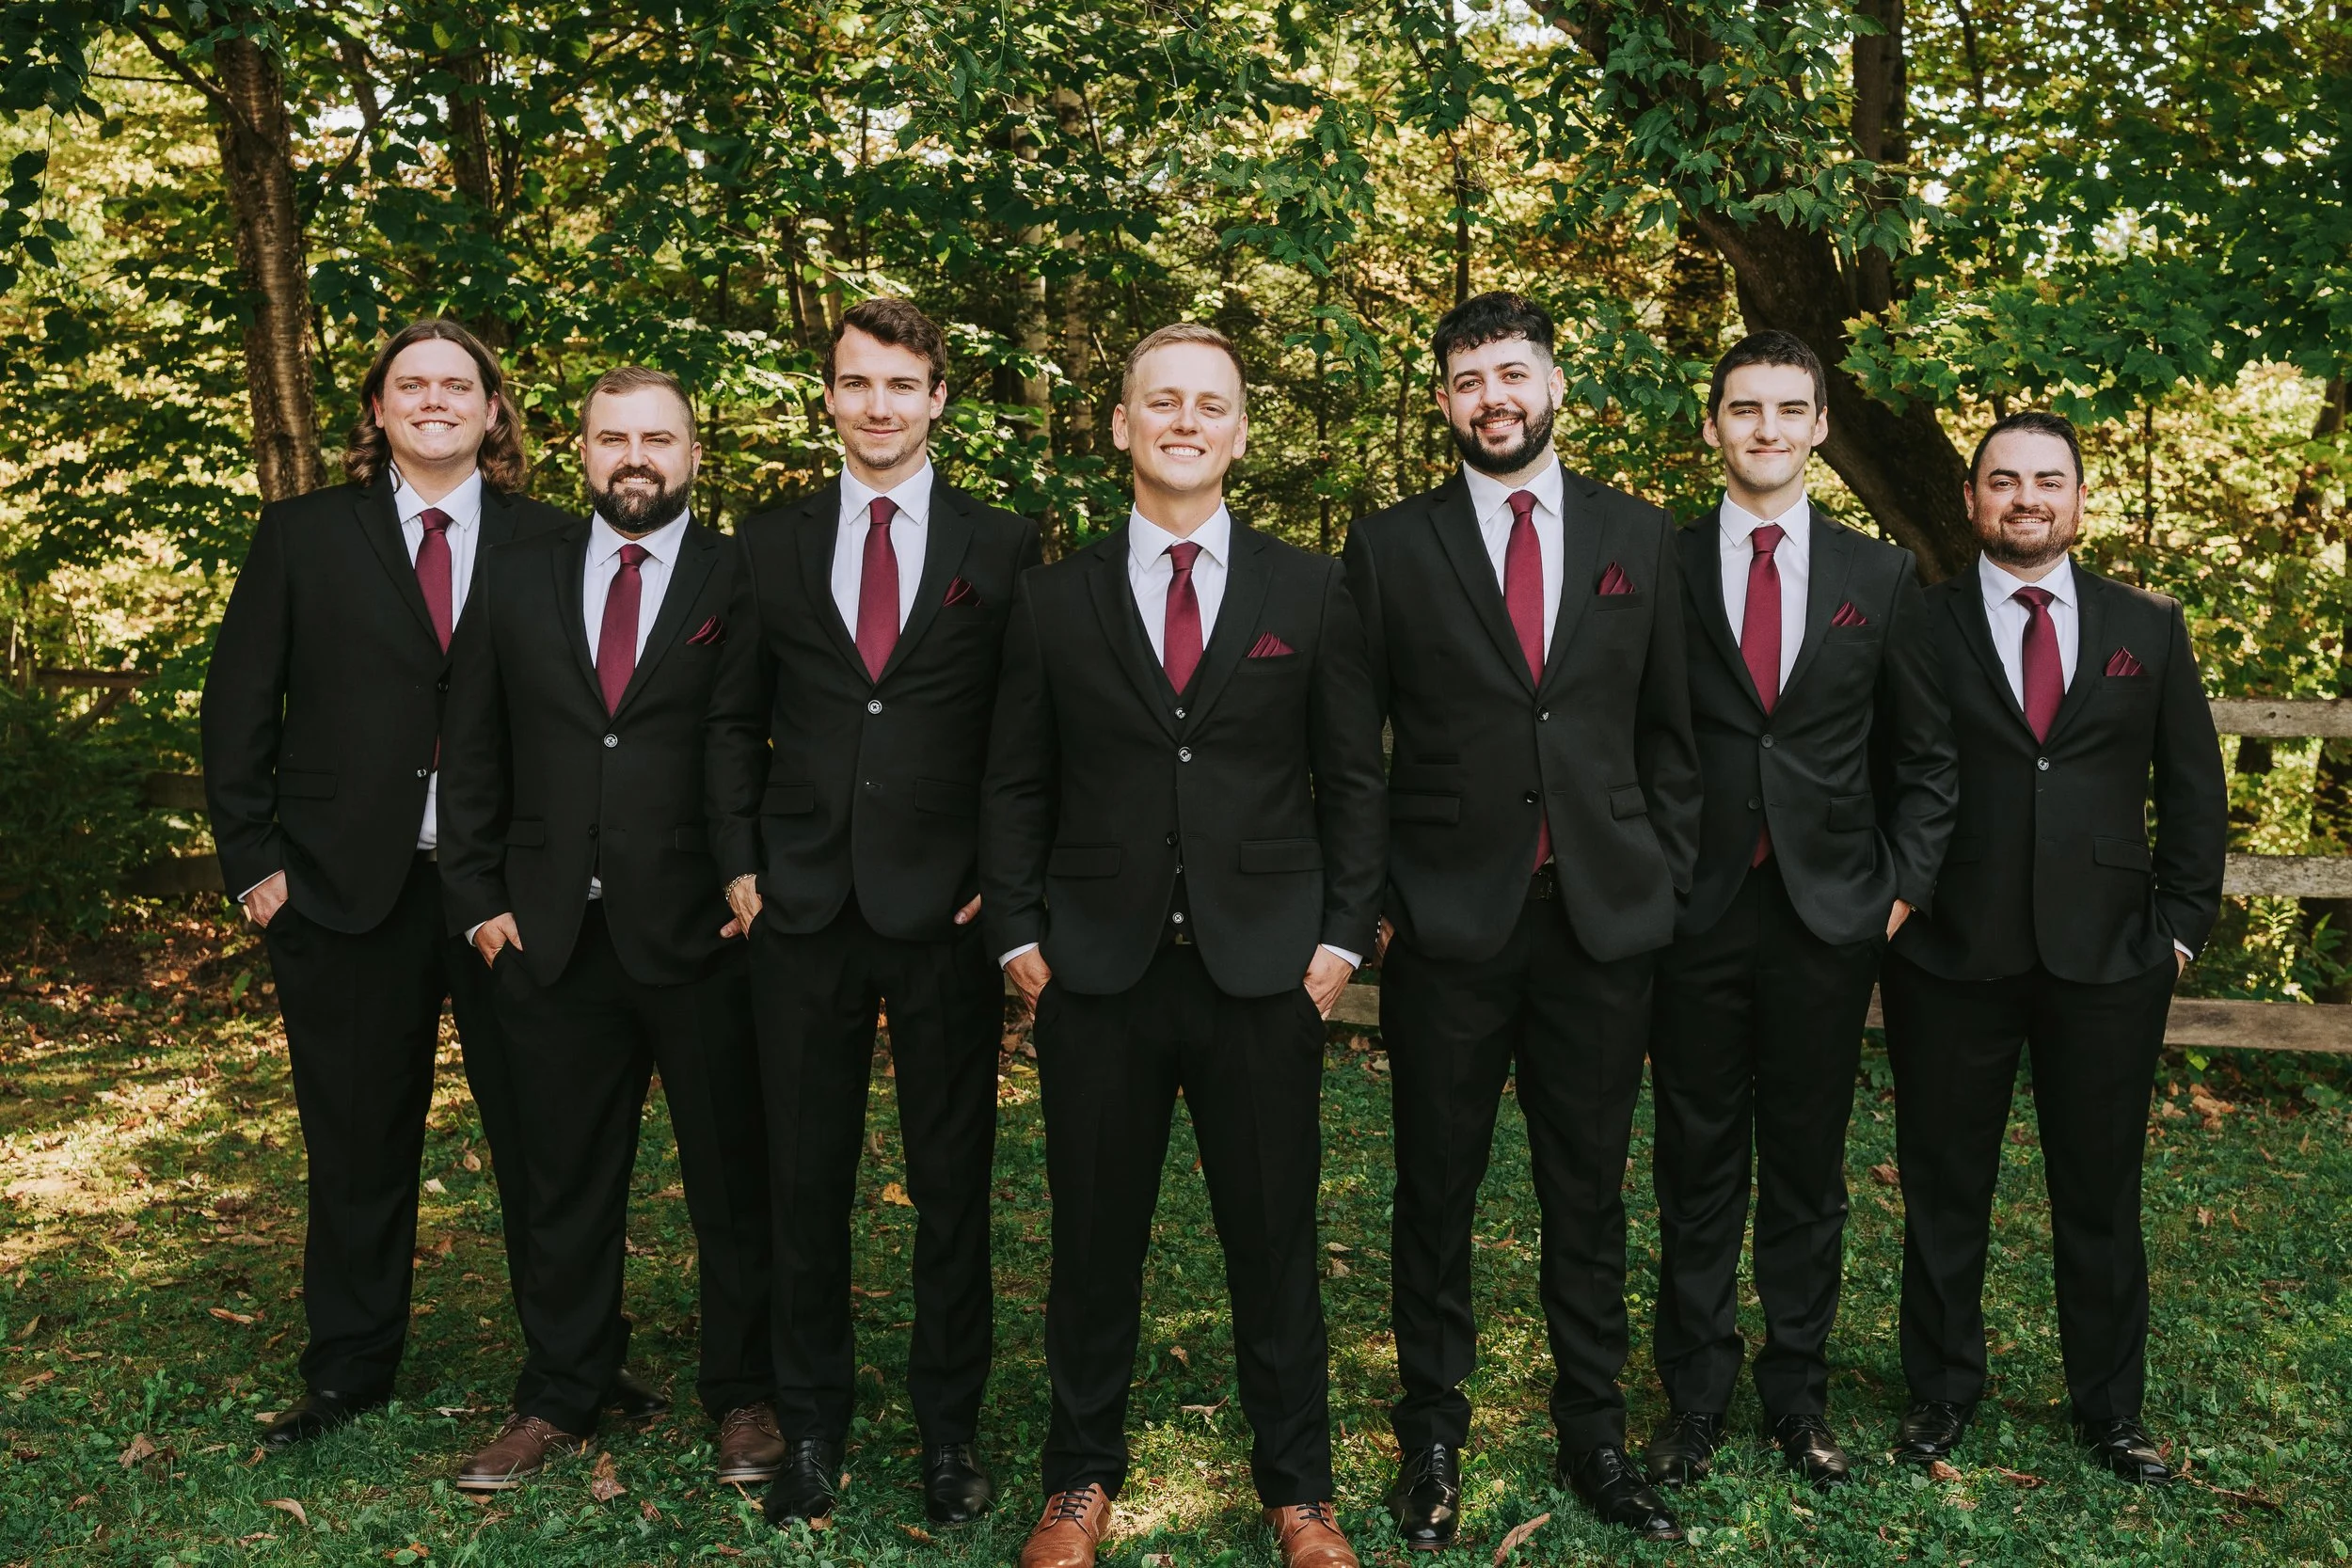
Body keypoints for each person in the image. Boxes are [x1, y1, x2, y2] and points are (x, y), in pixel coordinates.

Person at [199, 320, 673, 1449]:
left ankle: (574, 1361)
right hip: (339, 891)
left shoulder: (559, 539)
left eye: (456, 383)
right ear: (375, 408)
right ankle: (349, 1367)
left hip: (516, 892)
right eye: (409, 383)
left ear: (495, 411)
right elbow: (235, 708)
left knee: (545, 1138)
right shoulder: (301, 536)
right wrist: (255, 867)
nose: (433, 399)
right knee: (358, 1137)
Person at [981, 324, 1386, 1568]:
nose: (1186, 420)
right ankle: (1077, 1482)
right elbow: (1013, 780)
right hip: (1095, 966)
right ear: (1121, 424)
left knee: (1272, 1239)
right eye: (1163, 401)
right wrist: (1018, 936)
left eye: (1211, 404)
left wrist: (1338, 943)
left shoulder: (1310, 588)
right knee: (1094, 1238)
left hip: (1266, 966)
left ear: (1242, 430)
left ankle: (1300, 1490)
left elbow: (1351, 781)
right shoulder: (1056, 596)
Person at [1343, 291, 1702, 1547]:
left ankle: (1593, 1430)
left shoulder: (1638, 535)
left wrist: (1666, 873)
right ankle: (1431, 1434)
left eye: (1509, 372)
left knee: (1588, 1188)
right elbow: (1354, 740)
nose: (1490, 397)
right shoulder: (1390, 545)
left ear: (1556, 381)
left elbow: (1672, 732)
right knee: (1435, 1187)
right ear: (1444, 401)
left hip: (1601, 917)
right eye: (1464, 380)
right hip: (1448, 920)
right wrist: (1377, 894)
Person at [705, 298, 1041, 1528]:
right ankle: (811, 1426)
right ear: (830, 395)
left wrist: (1008, 877)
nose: (880, 404)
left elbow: (1028, 730)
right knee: (805, 1180)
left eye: (903, 383)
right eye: (857, 383)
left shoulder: (1003, 545)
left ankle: (950, 1433)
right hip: (799, 906)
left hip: (945, 909)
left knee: (953, 1182)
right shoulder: (769, 541)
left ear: (940, 395)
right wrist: (738, 860)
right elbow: (733, 714)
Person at [437, 367, 775, 1490]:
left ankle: (744, 1395)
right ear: (579, 452)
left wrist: (753, 881)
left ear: (693, 452)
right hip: (546, 935)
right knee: (562, 1180)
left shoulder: (745, 574)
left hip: (700, 936)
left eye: (660, 438)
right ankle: (559, 1391)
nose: (636, 456)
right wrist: (479, 899)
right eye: (613, 437)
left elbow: (770, 740)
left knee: (733, 1175)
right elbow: (473, 745)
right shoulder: (513, 571)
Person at [1881, 411, 2227, 1484]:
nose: (2024, 498)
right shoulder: (1916, 622)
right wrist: (1895, 910)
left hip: (2110, 958)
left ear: (2080, 499)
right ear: (1973, 498)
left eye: (2046, 481)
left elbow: (2194, 788)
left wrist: (2176, 931)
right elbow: (1875, 773)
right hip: (1949, 953)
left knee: (2099, 1189)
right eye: (2002, 481)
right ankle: (1940, 1392)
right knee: (1945, 1186)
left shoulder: (2148, 625)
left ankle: (2110, 1408)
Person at [1642, 332, 1957, 1494]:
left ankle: (1797, 1393)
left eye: (1788, 409)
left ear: (1820, 426)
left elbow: (1925, 760)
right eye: (1744, 408)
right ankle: (1695, 1393)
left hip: (1831, 914)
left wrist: (1901, 886)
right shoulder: (1655, 565)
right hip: (1694, 910)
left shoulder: (1878, 578)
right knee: (1697, 1161)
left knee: (1809, 1170)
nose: (1766, 428)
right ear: (1713, 424)